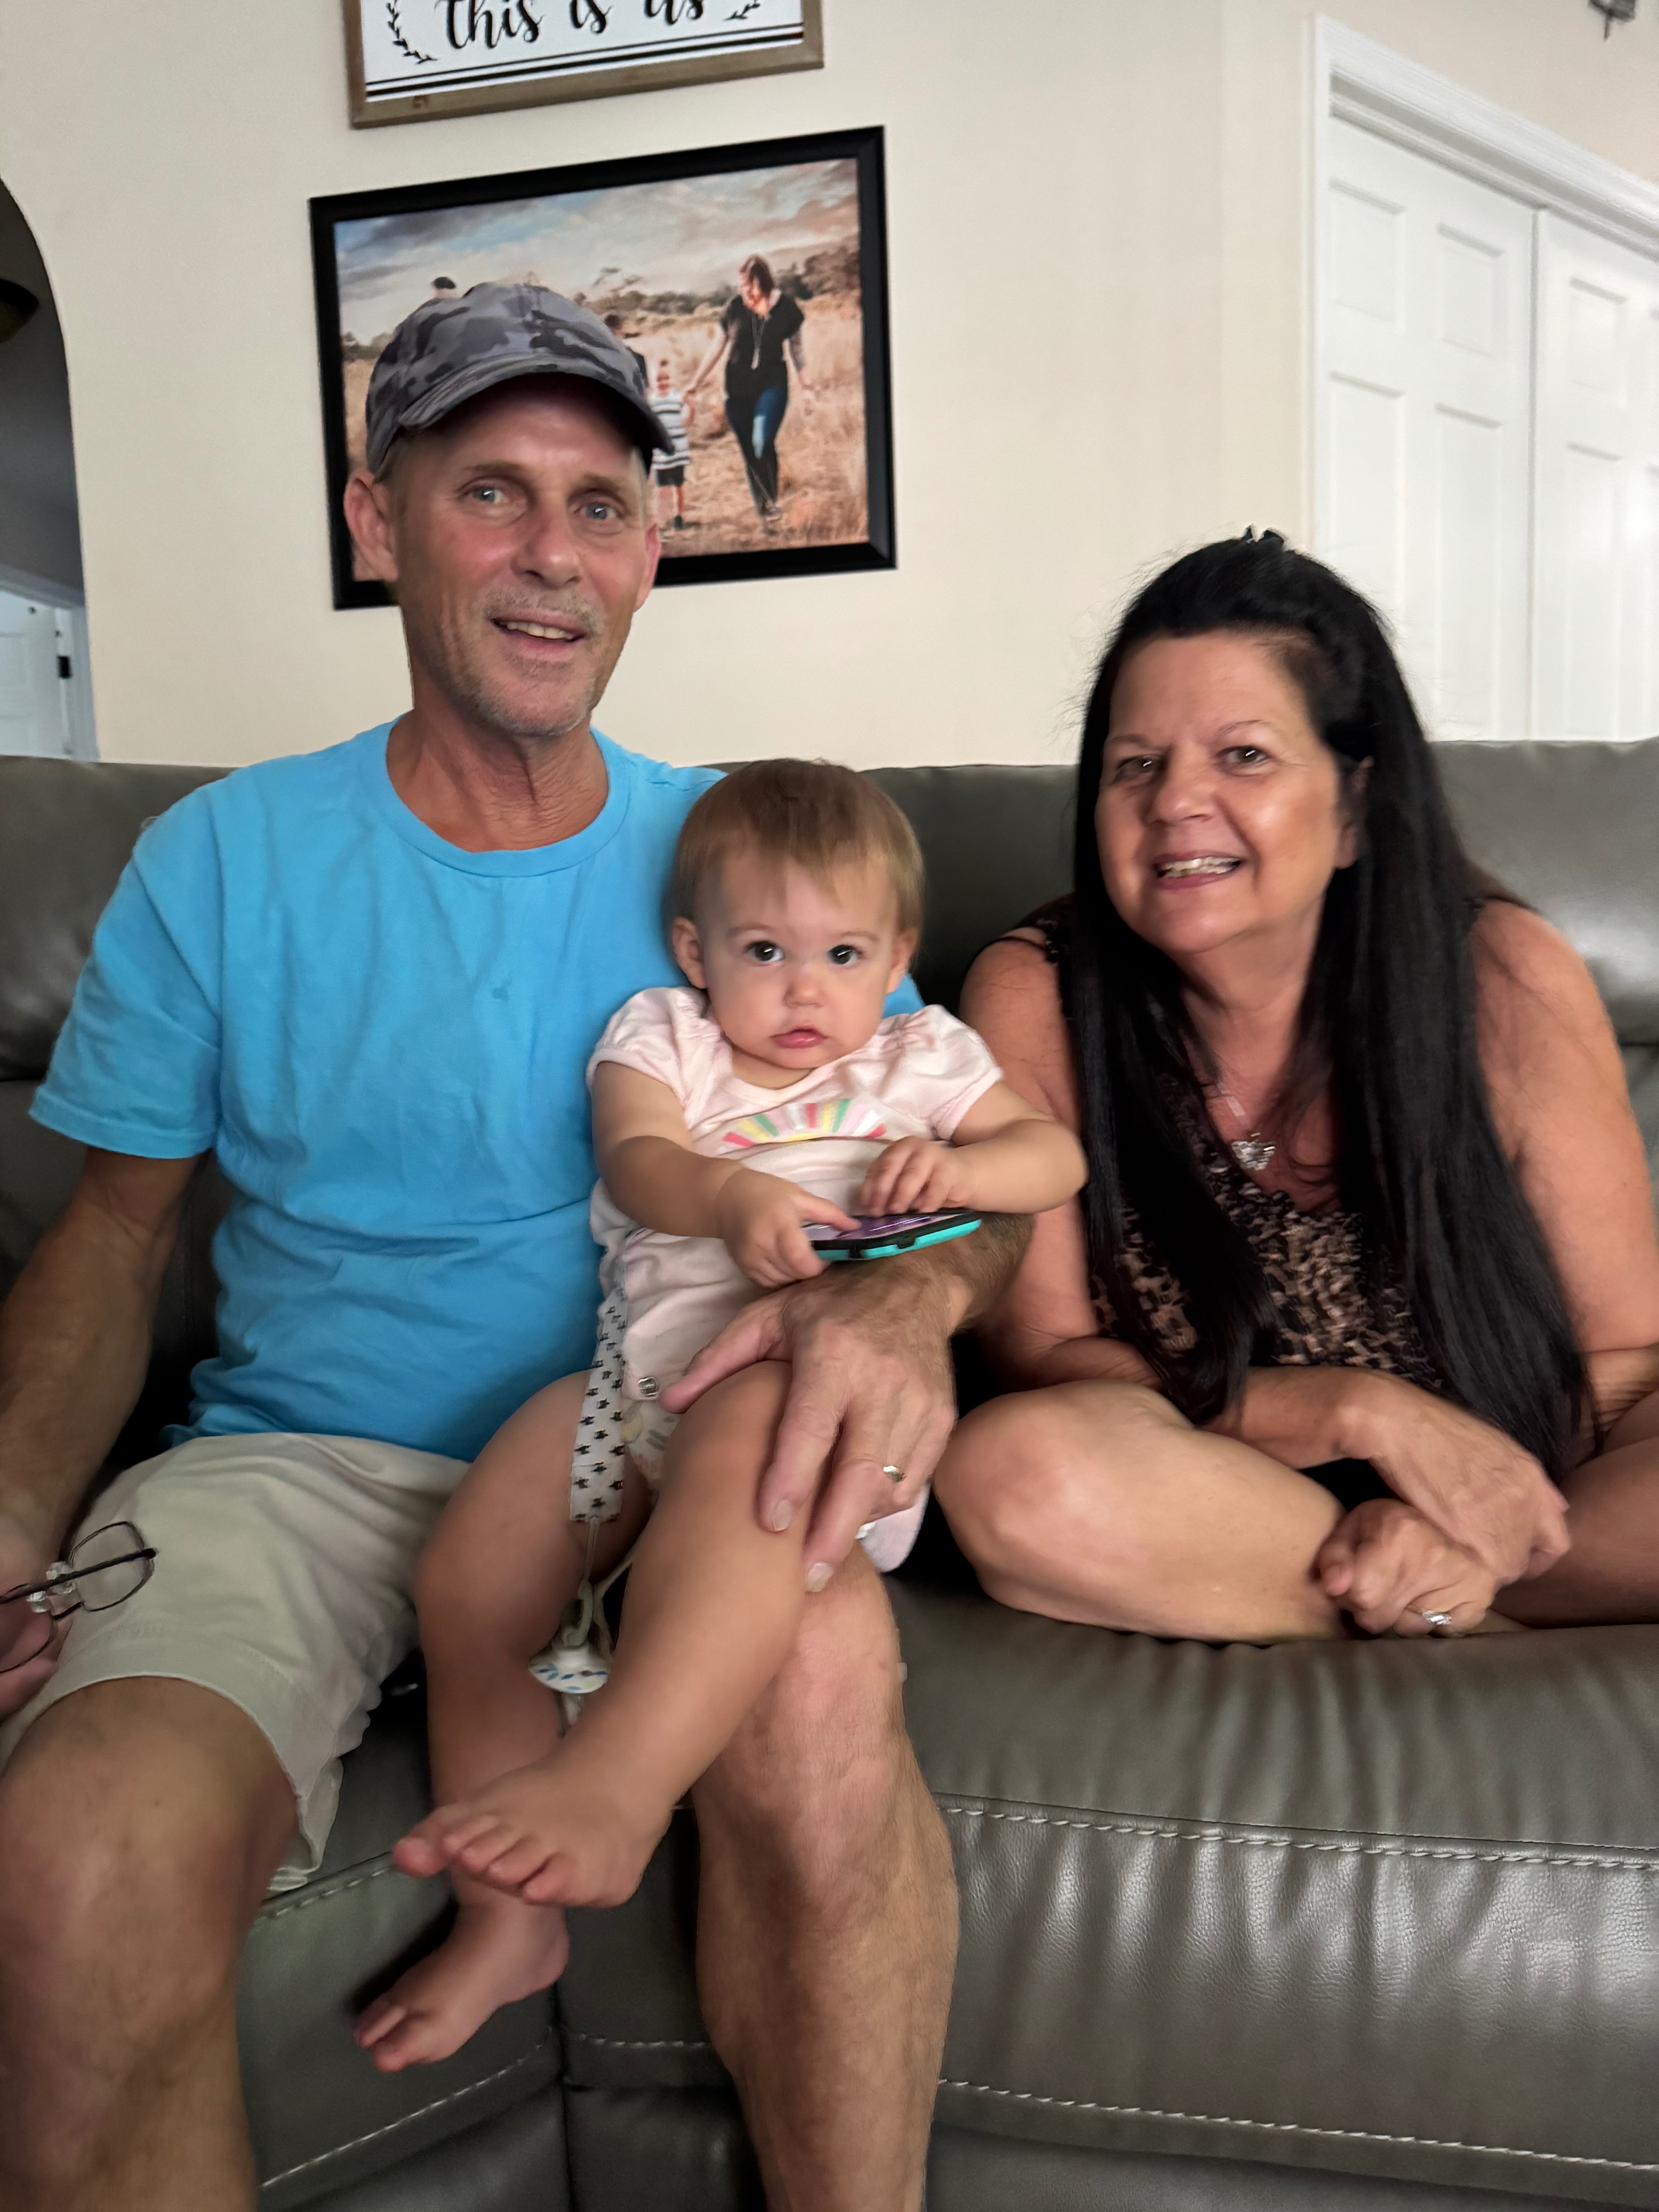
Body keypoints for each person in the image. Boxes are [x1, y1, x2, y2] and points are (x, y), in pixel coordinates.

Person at [0, 282, 1026, 2212]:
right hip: (297, 1464)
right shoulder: (221, 860)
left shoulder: (746, 868)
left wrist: (907, 1301)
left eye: (600, 503)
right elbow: (111, 1237)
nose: (553, 552)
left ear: (648, 550)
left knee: (815, 1694)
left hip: (657, 1436)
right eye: (491, 490)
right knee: (77, 1857)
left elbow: (946, 1169)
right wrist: (3, 1515)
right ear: (378, 518)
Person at [357, 759, 1084, 2069]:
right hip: (636, 1389)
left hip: (815, 1407)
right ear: (696, 952)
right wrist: (728, 1197)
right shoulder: (667, 1037)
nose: (804, 992)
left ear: (896, 957)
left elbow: (1054, 1160)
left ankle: (620, 1782)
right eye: (763, 951)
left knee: (751, 1440)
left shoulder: (920, 1058)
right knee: (470, 1573)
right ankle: (504, 1922)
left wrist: (960, 1166)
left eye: (842, 954)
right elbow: (637, 1156)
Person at [936, 532, 1659, 1644]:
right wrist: (1359, 1412)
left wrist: (1469, 1531)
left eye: (1243, 756)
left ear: (1355, 807)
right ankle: (1434, 1610)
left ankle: (1451, 1597)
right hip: (1212, 1503)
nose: (1175, 801)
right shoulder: (1036, 993)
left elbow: (1623, 1365)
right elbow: (1041, 1357)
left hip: (1522, 1511)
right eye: (1135, 765)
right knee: (1014, 1471)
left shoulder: (1501, 975)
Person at [687, 253, 810, 525]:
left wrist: (808, 388)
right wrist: (695, 383)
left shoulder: (787, 308)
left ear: (761, 284)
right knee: (749, 452)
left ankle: (771, 500)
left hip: (772, 385)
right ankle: (765, 509)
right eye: (740, 284)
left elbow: (798, 351)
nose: (742, 290)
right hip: (737, 391)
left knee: (762, 442)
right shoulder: (733, 308)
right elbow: (716, 347)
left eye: (747, 285)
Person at [650, 353, 694, 532]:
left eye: (666, 379)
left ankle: (679, 517)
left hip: (678, 452)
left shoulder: (678, 399)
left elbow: (687, 422)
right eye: (658, 380)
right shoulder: (651, 403)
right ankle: (660, 522)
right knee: (661, 490)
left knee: (678, 487)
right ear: (652, 382)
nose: (663, 383)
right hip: (661, 455)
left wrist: (691, 407)